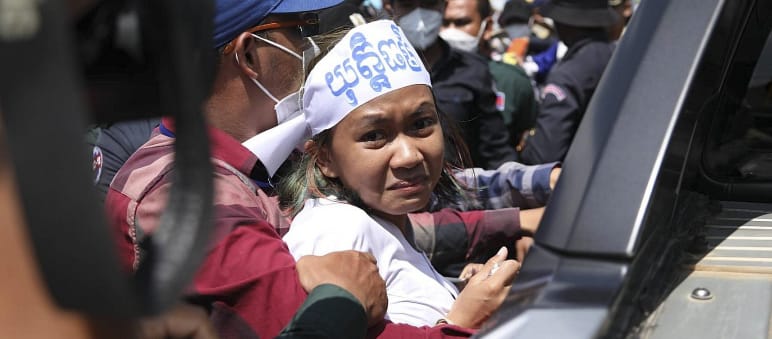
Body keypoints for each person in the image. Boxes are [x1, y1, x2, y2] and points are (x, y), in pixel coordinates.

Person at [104, 0, 524, 337]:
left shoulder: (257, 164)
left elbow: (397, 226)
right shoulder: (189, 199)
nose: (311, 48)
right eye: (300, 30)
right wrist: (458, 324)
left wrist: (516, 221)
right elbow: (317, 322)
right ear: (250, 54)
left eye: (421, 125)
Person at [279, 20, 519, 328]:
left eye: (420, 124)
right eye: (375, 135)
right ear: (325, 158)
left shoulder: (385, 220)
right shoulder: (337, 231)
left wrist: (455, 289)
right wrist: (461, 320)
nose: (409, 156)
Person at [385, 0, 518, 169]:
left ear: (444, 6)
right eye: (408, 5)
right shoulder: (378, 71)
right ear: (389, 8)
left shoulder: (473, 69)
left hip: (460, 189)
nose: (420, 16)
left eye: (429, 4)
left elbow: (495, 149)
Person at [514, 0, 620, 164]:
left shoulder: (568, 75)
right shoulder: (617, 55)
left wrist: (528, 142)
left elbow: (544, 155)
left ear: (564, 22)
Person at [441, 0, 539, 149]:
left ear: (487, 28)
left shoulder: (512, 81)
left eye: (461, 23)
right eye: (445, 23)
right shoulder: (422, 79)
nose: (450, 32)